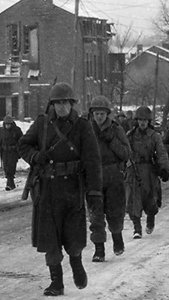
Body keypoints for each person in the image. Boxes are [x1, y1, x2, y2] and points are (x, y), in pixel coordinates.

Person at [17, 82, 103, 296]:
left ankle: (76, 263)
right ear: (52, 104)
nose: (61, 107)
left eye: (64, 102)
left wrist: (93, 191)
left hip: (73, 188)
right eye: (57, 103)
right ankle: (56, 281)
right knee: (49, 238)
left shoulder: (83, 126)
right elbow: (23, 145)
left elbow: (93, 160)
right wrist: (35, 156)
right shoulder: (43, 124)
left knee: (73, 235)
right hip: (47, 190)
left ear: (72, 104)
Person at [88, 96, 131, 262]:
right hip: (93, 176)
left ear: (108, 114)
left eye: (102, 113)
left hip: (113, 175)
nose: (99, 117)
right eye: (96, 113)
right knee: (95, 214)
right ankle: (99, 249)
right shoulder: (87, 130)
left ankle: (117, 236)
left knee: (115, 210)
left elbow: (126, 153)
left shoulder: (116, 130)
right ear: (92, 114)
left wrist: (112, 140)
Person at [125, 106, 169, 239]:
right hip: (134, 170)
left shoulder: (154, 136)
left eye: (145, 120)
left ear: (148, 121)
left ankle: (150, 219)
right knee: (133, 199)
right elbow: (123, 152)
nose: (142, 123)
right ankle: (137, 228)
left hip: (150, 171)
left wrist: (164, 168)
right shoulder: (130, 136)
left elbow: (161, 152)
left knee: (151, 198)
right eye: (140, 120)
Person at [0, 115, 23, 190]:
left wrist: (19, 151)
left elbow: (21, 141)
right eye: (6, 124)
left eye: (9, 124)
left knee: (11, 167)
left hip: (13, 152)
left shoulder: (17, 131)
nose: (7, 126)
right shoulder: (1, 131)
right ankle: (11, 184)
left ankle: (9, 184)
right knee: (6, 168)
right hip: (4, 152)